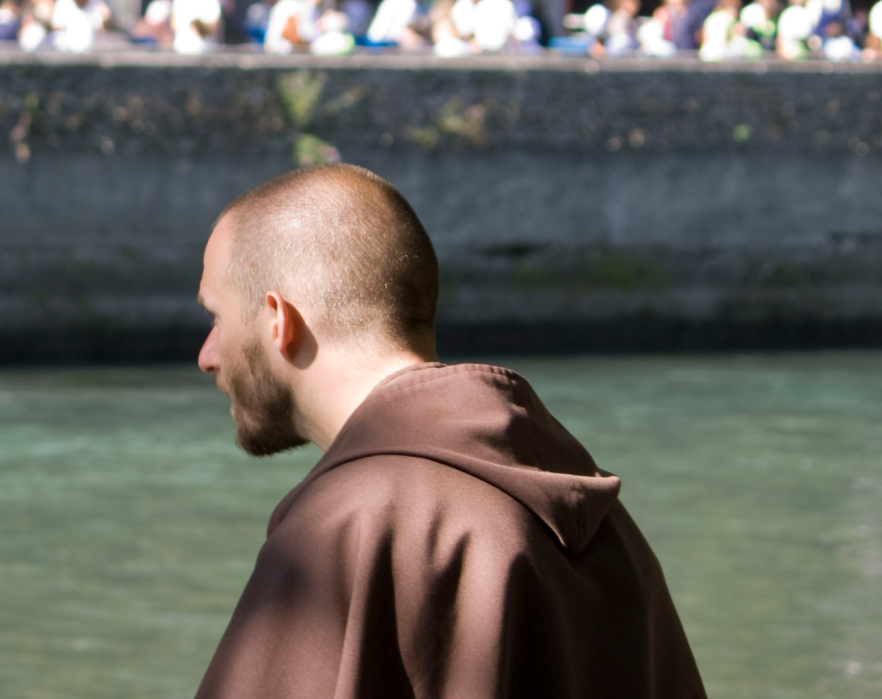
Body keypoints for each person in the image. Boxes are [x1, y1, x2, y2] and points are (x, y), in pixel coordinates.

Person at [192, 164, 706, 698]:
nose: (207, 356)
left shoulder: (346, 524)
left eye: (216, 317)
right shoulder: (609, 529)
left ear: (277, 319)